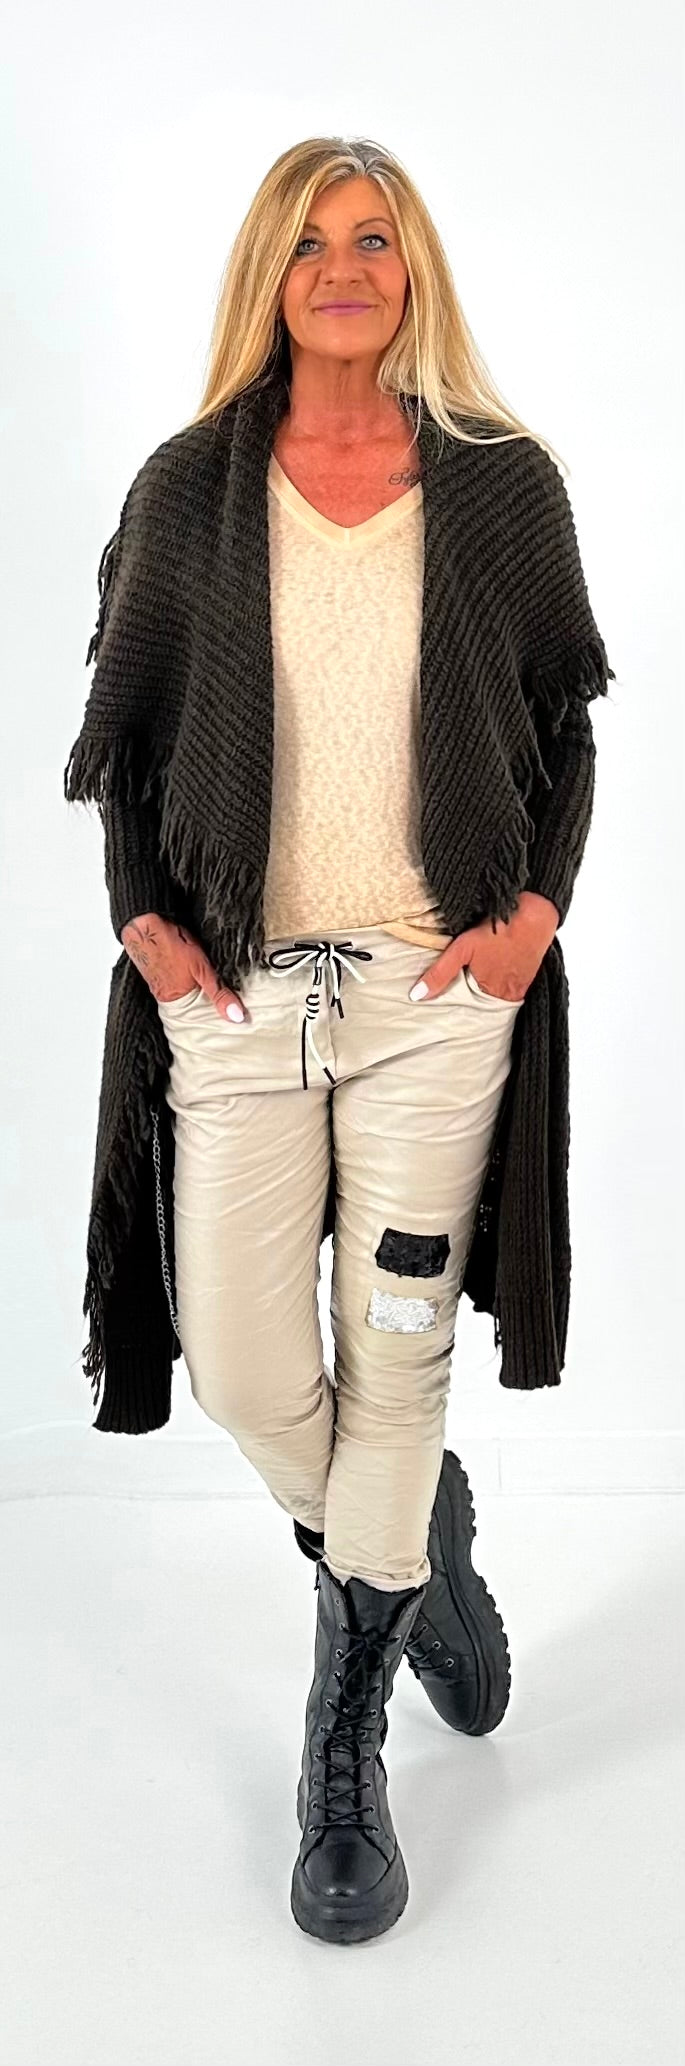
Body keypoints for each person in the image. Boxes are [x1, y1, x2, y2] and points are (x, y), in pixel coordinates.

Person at [63, 135, 614, 1947]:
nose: (346, 268)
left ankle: (342, 1748)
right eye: (311, 244)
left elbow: (565, 722)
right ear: (269, 276)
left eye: (375, 238)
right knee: (242, 1367)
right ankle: (410, 1543)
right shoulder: (188, 488)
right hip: (237, 1003)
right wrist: (145, 926)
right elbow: (126, 735)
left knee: (395, 1350)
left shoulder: (500, 481)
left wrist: (529, 920)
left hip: (432, 1002)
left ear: (413, 265)